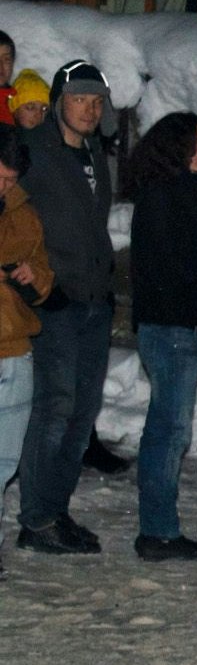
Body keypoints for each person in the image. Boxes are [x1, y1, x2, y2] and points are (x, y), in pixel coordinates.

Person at [124, 112, 197, 561]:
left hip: (177, 326)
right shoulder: (165, 198)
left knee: (169, 429)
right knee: (168, 432)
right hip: (171, 328)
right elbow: (177, 269)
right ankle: (158, 531)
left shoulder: (178, 196)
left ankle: (160, 528)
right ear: (175, 148)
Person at [14, 59, 116, 556]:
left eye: (97, 101)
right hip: (55, 301)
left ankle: (55, 509)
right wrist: (25, 272)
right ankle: (35, 520)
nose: (90, 109)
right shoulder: (34, 152)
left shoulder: (95, 153)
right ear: (59, 103)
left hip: (95, 299)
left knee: (82, 413)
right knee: (54, 409)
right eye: (80, 98)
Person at [0, 124, 55, 580]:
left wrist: (30, 277)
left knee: (3, 462)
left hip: (16, 348)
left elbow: (44, 277)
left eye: (11, 179)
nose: (5, 186)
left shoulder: (25, 214)